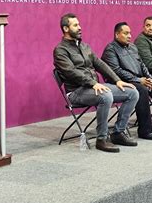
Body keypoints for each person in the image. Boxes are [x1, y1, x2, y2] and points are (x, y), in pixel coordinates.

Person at [53, 14, 139, 153]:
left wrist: (117, 80)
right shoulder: (60, 50)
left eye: (79, 24)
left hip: (93, 87)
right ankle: (101, 139)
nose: (80, 27)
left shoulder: (85, 46)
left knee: (132, 92)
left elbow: (100, 64)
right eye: (75, 25)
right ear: (65, 28)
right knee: (105, 96)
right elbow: (71, 72)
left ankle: (118, 133)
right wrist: (93, 83)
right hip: (76, 92)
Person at [102, 22, 152, 140]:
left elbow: (142, 65)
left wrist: (150, 78)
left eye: (130, 33)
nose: (129, 36)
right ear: (117, 34)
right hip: (122, 82)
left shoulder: (133, 47)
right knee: (142, 90)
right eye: (125, 33)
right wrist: (139, 80)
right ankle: (145, 131)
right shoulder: (111, 49)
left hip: (140, 80)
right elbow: (117, 71)